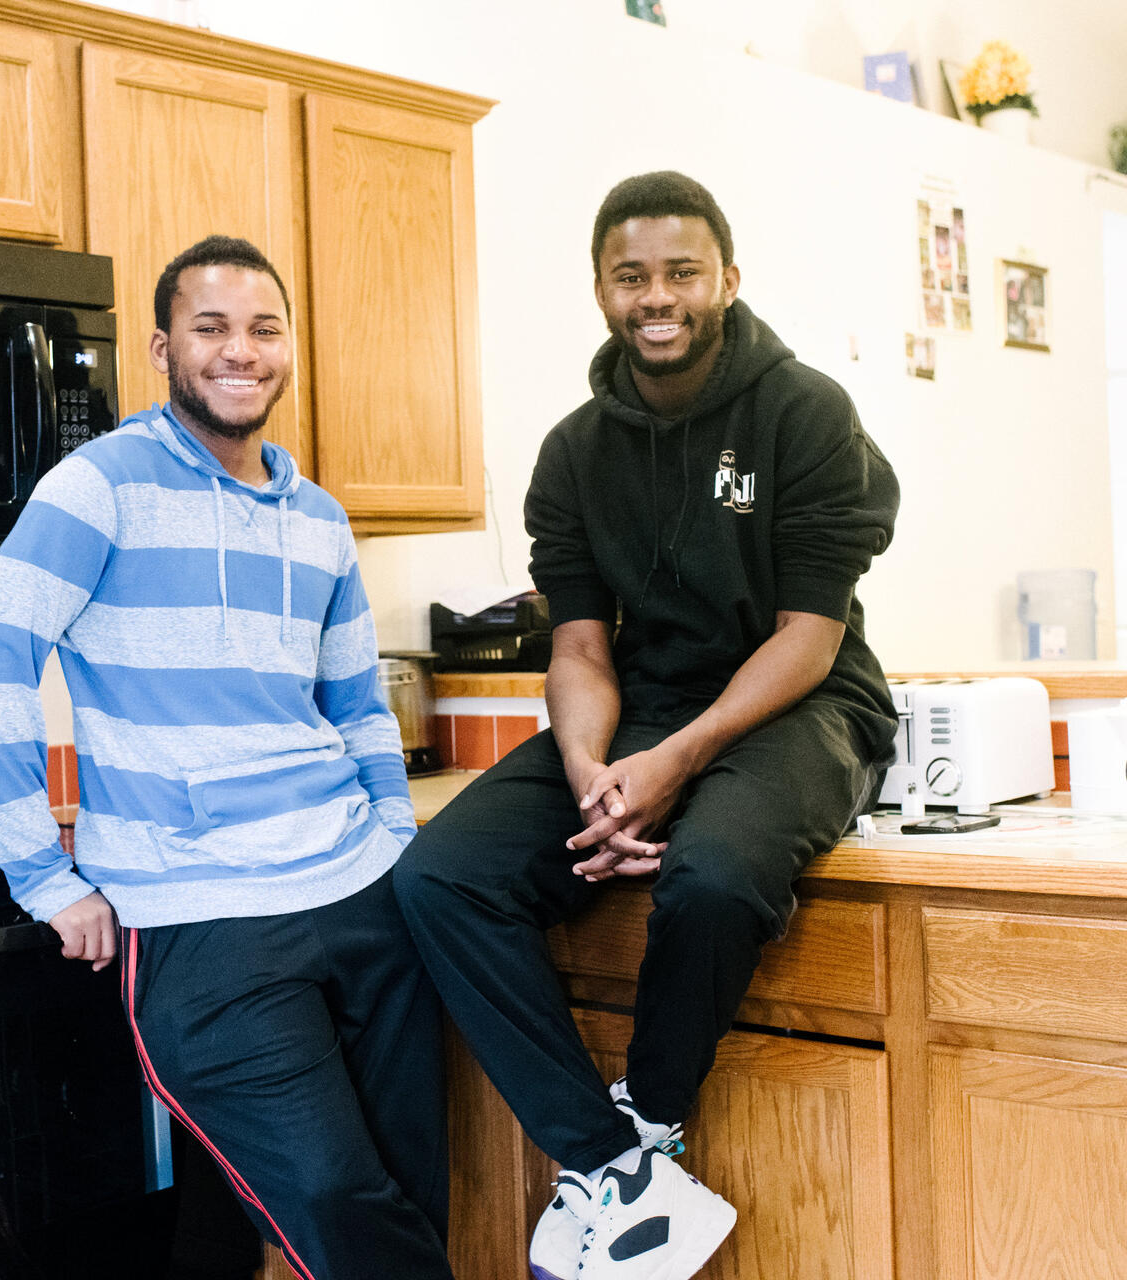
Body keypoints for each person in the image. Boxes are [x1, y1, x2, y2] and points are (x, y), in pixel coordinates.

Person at [394, 172, 900, 1280]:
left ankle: (654, 1112)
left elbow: (807, 636)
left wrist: (670, 764)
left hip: (801, 701)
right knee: (438, 875)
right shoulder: (574, 452)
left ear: (725, 277)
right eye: (631, 277)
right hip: (638, 708)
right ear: (599, 291)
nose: (655, 296)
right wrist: (588, 769)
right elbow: (578, 646)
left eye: (679, 271)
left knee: (713, 873)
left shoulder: (803, 413)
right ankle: (613, 1170)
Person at [0, 235, 453, 1280]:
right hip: (200, 920)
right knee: (333, 1198)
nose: (240, 351)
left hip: (358, 889)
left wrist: (396, 840)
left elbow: (356, 703)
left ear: (288, 348)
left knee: (406, 1186)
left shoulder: (318, 518)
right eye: (210, 327)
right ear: (161, 347)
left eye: (263, 328)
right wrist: (43, 872)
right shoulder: (100, 486)